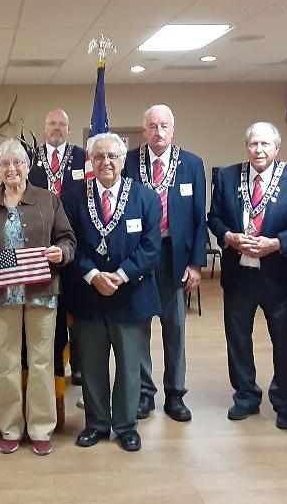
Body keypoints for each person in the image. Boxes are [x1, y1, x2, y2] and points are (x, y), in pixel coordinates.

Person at [0, 139, 76, 457]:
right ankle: (11, 428)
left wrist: (61, 253)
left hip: (42, 292)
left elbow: (67, 238)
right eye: (5, 164)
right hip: (2, 293)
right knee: (7, 362)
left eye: (17, 163)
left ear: (28, 167)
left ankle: (41, 428)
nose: (11, 169)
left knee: (41, 361)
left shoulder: (47, 200)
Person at [207, 123, 287, 429]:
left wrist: (277, 243)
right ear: (246, 147)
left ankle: (286, 403)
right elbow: (213, 217)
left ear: (277, 149)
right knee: (238, 339)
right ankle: (245, 396)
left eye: (265, 144)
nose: (259, 150)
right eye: (253, 144)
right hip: (239, 275)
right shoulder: (227, 177)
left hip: (279, 275)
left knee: (286, 342)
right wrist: (228, 236)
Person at [63, 133, 161, 452]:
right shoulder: (73, 196)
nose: (106, 162)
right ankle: (97, 424)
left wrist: (119, 276)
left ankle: (126, 425)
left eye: (112, 156)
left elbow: (150, 247)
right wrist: (93, 275)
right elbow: (69, 242)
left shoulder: (146, 198)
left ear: (123, 159)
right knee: (91, 365)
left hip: (131, 295)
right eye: (99, 156)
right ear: (91, 161)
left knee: (130, 365)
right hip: (89, 294)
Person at [122, 104, 206, 422]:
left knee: (175, 328)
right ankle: (145, 393)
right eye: (153, 126)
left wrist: (197, 264)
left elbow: (200, 218)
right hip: (140, 254)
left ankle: (176, 394)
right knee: (140, 325)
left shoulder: (191, 164)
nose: (159, 132)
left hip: (175, 256)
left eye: (165, 126)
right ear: (144, 131)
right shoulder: (129, 162)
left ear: (173, 129)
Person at [27, 108, 87, 387]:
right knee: (49, 307)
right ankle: (53, 365)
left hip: (73, 241)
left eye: (61, 124)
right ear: (44, 128)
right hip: (38, 245)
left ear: (68, 128)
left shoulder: (83, 156)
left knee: (76, 306)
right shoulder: (31, 158)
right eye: (51, 123)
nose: (56, 128)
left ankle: (78, 364)